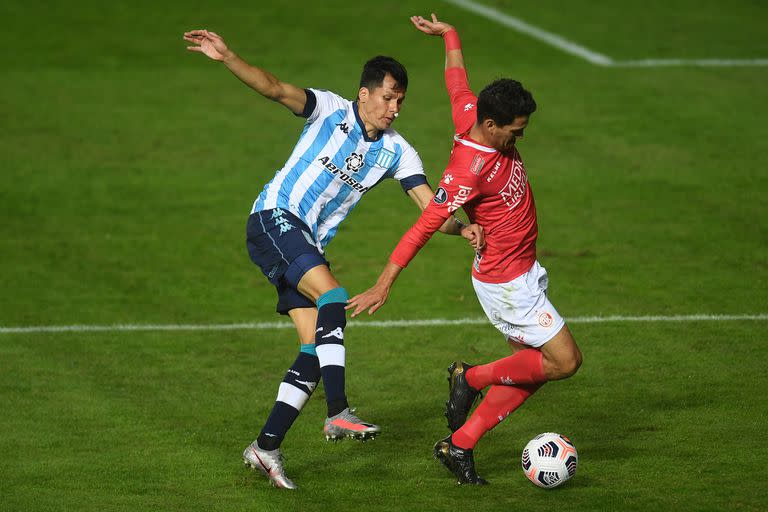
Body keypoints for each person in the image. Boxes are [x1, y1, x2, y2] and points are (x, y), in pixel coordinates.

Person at [183, 29, 483, 489]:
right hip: (274, 217)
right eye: (387, 97)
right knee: (335, 297)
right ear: (363, 94)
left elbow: (430, 207)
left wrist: (462, 226)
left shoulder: (398, 151)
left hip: (305, 242)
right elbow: (274, 87)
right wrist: (227, 58)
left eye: (400, 100)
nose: (394, 108)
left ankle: (265, 447)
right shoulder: (328, 110)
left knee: (314, 350)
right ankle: (339, 413)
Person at [346, 14, 583, 485]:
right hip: (506, 282)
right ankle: (470, 378)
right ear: (491, 124)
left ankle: (460, 444)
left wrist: (449, 34)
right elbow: (423, 228)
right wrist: (382, 283)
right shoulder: (466, 171)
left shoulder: (473, 113)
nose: (519, 139)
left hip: (522, 269)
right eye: (514, 132)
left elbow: (457, 82)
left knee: (530, 373)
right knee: (565, 361)